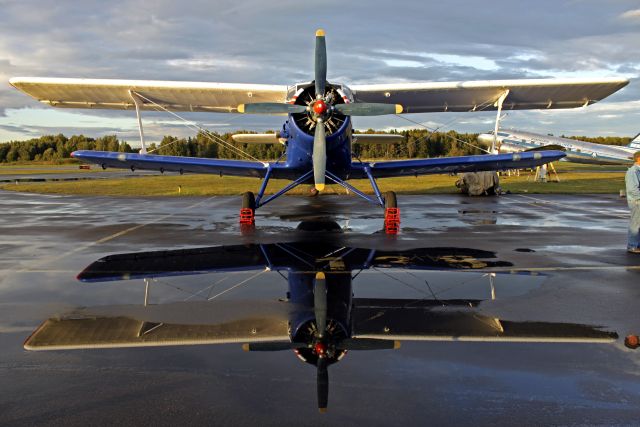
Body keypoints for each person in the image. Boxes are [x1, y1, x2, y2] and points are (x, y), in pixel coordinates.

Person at [625, 151, 640, 253]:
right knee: (636, 224)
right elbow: (632, 189)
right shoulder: (633, 171)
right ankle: (632, 246)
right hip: (637, 201)